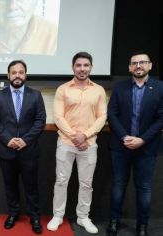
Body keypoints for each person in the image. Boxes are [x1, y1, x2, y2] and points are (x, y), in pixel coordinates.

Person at [46, 52, 107, 234]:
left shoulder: (99, 90)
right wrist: (75, 136)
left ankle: (83, 217)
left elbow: (102, 116)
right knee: (61, 181)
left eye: (86, 65)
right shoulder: (63, 89)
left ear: (91, 67)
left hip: (89, 145)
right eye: (78, 65)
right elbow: (58, 116)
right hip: (66, 143)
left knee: (86, 183)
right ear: (73, 67)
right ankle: (57, 215)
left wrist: (85, 135)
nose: (82, 69)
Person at [107, 51, 163, 236]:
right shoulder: (119, 87)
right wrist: (125, 137)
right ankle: (114, 222)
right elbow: (112, 114)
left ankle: (142, 226)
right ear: (130, 67)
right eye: (134, 63)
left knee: (144, 187)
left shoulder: (160, 87)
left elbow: (161, 119)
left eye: (142, 62)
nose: (138, 66)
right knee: (118, 185)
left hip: (147, 147)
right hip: (120, 146)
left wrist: (142, 139)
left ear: (150, 65)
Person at [0, 60, 46, 234]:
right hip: (6, 150)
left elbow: (40, 120)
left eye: (21, 72)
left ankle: (34, 216)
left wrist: (25, 140)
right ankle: (13, 213)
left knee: (31, 186)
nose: (17, 75)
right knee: (10, 185)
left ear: (25, 75)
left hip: (29, 150)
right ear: (8, 75)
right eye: (14, 72)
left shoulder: (35, 95)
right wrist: (8, 139)